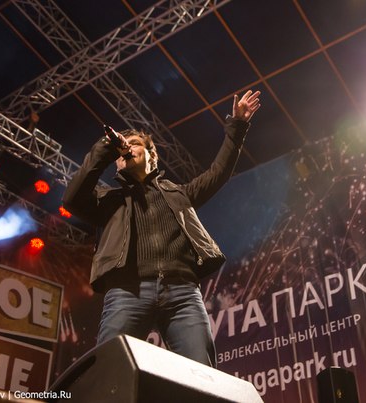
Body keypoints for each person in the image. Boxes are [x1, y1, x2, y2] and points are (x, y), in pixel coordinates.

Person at [62, 90, 261, 367]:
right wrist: (106, 148)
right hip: (127, 292)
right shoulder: (108, 200)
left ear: (152, 155)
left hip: (182, 294)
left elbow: (219, 172)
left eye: (135, 144)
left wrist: (237, 125)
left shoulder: (179, 193)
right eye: (122, 150)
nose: (126, 150)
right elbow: (72, 199)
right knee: (109, 368)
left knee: (201, 372)